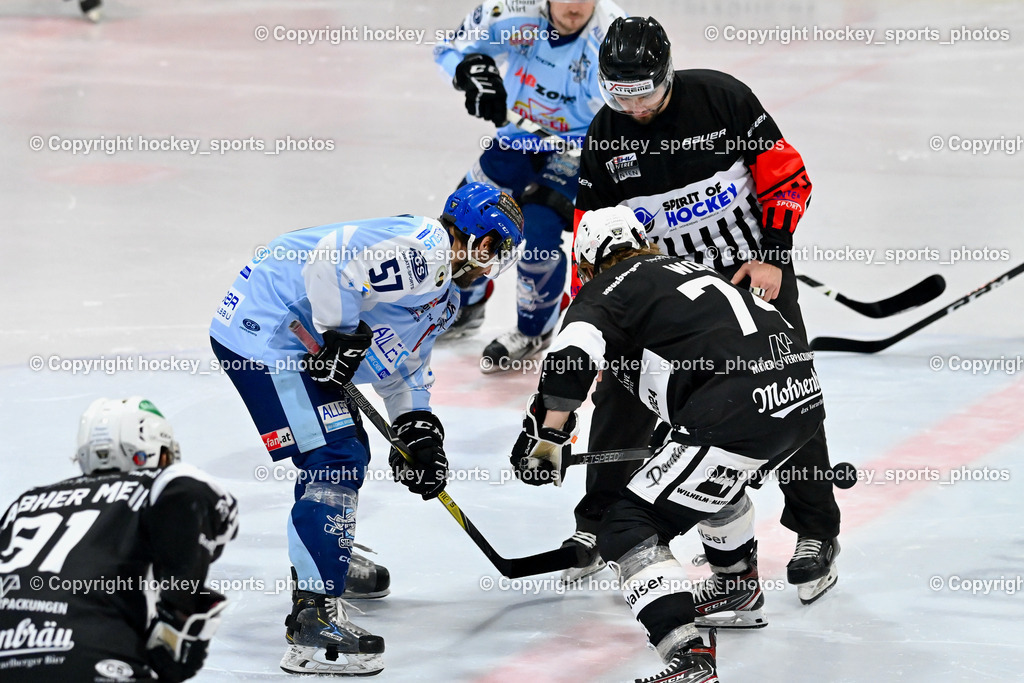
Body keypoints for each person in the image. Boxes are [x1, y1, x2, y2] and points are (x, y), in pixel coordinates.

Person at [563, 16, 841, 605]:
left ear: (667, 74)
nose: (634, 107)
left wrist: (773, 255)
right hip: (668, 295)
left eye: (645, 92)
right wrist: (585, 324)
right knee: (622, 395)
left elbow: (785, 171)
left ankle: (816, 529)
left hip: (752, 274)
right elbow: (586, 237)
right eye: (621, 94)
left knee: (785, 389)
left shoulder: (722, 96)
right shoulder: (605, 138)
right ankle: (599, 521)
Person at [208, 182, 524, 676]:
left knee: (337, 446)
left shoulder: (442, 297)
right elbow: (328, 264)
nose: (492, 263)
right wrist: (342, 333)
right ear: (479, 239)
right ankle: (311, 623)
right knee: (335, 455)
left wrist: (416, 429)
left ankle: (323, 551)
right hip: (267, 333)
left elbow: (404, 366)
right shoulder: (426, 250)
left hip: (298, 342)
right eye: (496, 249)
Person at [509, 206, 826, 682]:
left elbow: (571, 359)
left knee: (629, 525)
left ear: (587, 263)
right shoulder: (687, 269)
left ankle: (688, 655)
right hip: (801, 398)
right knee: (703, 470)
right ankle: (736, 583)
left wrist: (547, 437)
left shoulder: (602, 291)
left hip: (738, 408)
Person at [433, 0, 625, 368]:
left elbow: (635, 112)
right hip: (516, 138)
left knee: (539, 223)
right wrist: (468, 73)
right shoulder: (508, 12)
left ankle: (533, 328)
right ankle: (465, 304)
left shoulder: (612, 37)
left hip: (579, 149)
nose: (574, 5)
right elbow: (450, 50)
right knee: (463, 216)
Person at [0, 397, 238, 683]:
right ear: (154, 453)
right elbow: (196, 498)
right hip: (98, 663)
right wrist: (178, 610)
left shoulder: (25, 502)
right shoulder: (158, 484)